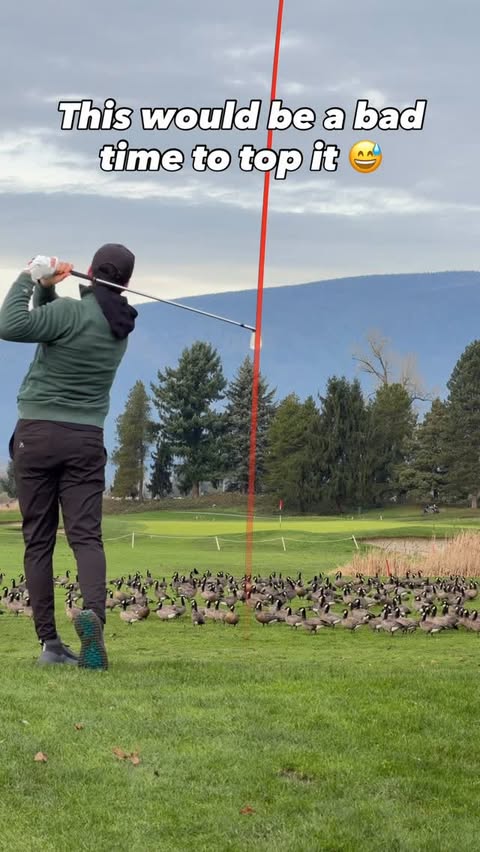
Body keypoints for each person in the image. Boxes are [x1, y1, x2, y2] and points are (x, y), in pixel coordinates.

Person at [0, 245, 137, 669]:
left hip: (37, 436)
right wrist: (46, 290)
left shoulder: (72, 315)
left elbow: (10, 324)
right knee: (86, 537)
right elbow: (53, 327)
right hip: (85, 440)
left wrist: (29, 276)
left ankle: (51, 645)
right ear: (126, 283)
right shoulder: (119, 327)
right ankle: (93, 614)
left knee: (39, 541)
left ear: (92, 272)